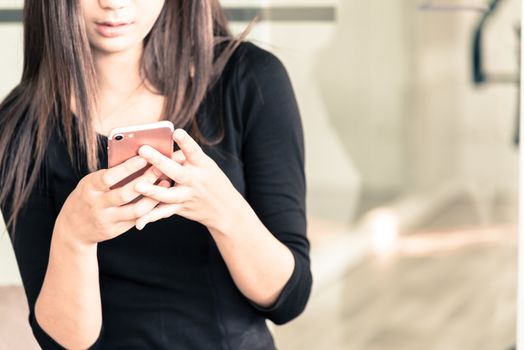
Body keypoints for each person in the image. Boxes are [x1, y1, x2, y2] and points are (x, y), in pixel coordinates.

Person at [0, 0, 312, 349]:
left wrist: (224, 211)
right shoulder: (21, 130)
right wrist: (73, 237)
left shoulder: (250, 79)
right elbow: (65, 344)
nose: (114, 3)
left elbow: (288, 299)